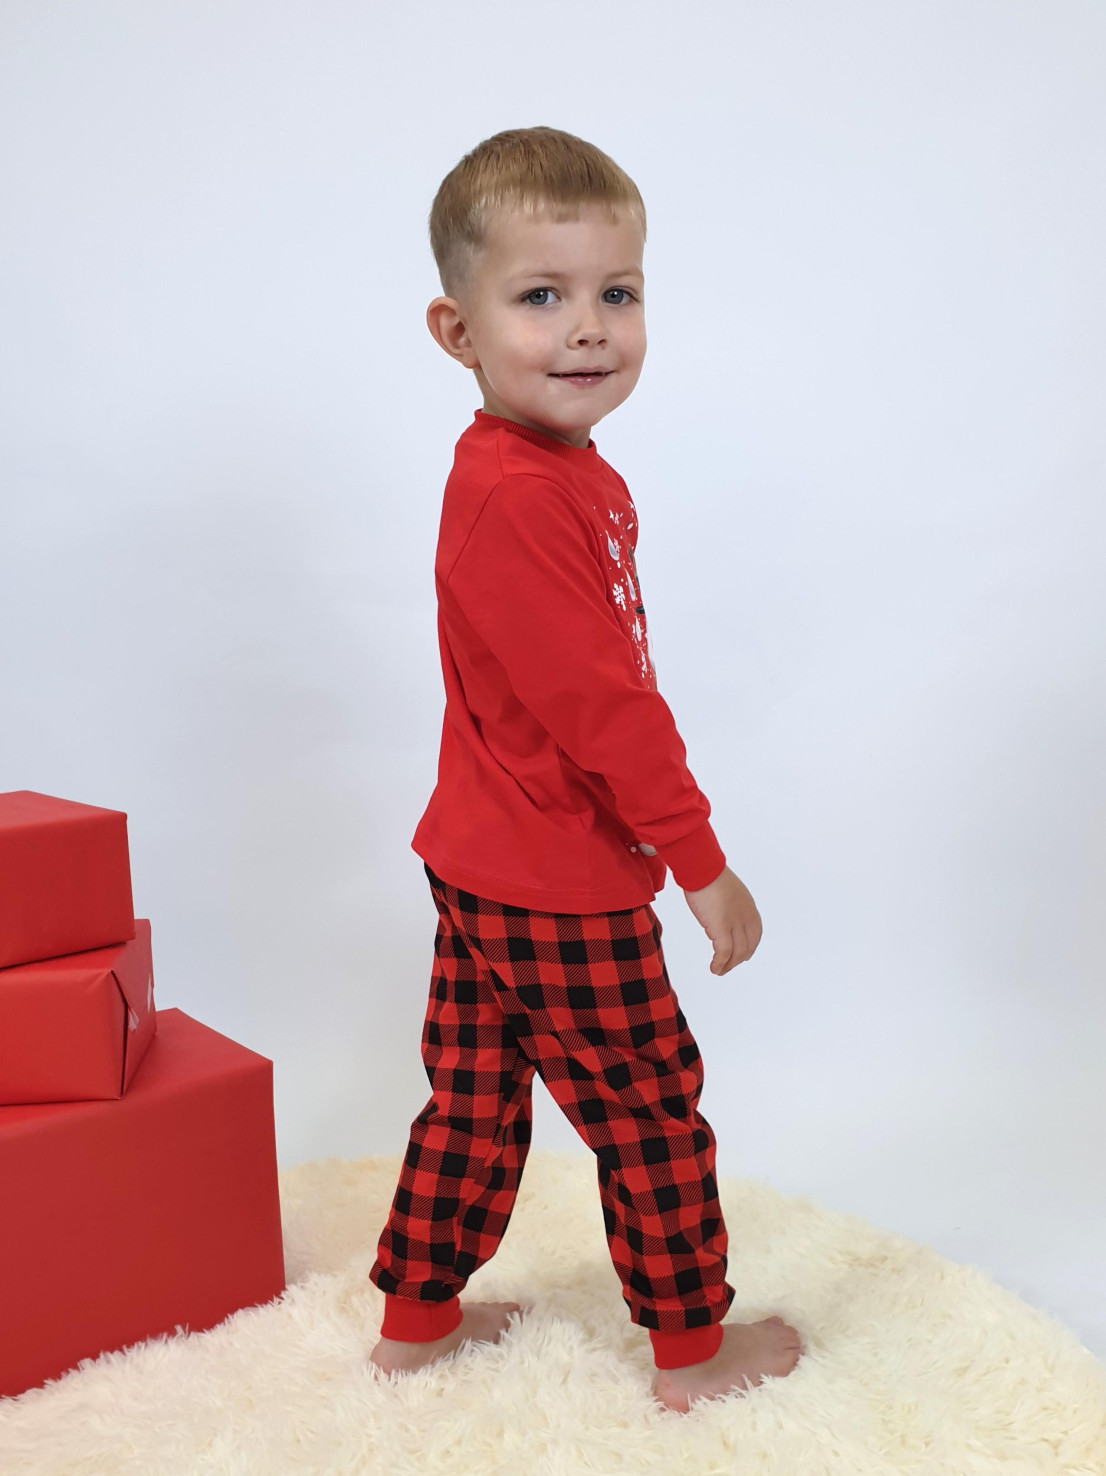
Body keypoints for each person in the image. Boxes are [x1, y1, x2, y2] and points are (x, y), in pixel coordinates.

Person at [367, 125, 803, 1414]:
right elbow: (605, 711)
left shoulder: (547, 470)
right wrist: (699, 861)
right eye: (541, 298)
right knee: (649, 1108)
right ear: (458, 331)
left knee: (475, 1095)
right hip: (557, 879)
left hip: (478, 860)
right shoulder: (521, 496)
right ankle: (691, 1350)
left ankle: (417, 1319)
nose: (589, 330)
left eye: (617, 292)